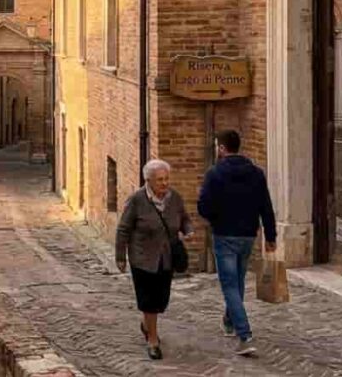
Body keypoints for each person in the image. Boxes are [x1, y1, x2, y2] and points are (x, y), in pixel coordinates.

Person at [197, 129, 277, 357]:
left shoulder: (214, 174)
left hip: (224, 236)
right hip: (248, 236)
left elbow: (203, 207)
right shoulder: (256, 173)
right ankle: (229, 321)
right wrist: (271, 236)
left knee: (230, 285)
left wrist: (215, 218)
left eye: (217, 146)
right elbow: (266, 206)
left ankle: (245, 335)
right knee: (238, 281)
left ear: (222, 148)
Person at [116, 159, 193, 361]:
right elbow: (123, 229)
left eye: (166, 179)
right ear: (148, 180)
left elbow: (184, 218)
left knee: (161, 300)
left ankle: (146, 324)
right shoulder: (137, 200)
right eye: (160, 180)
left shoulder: (174, 198)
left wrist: (188, 230)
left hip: (166, 257)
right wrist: (120, 256)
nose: (165, 183)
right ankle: (153, 340)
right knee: (148, 299)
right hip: (142, 257)